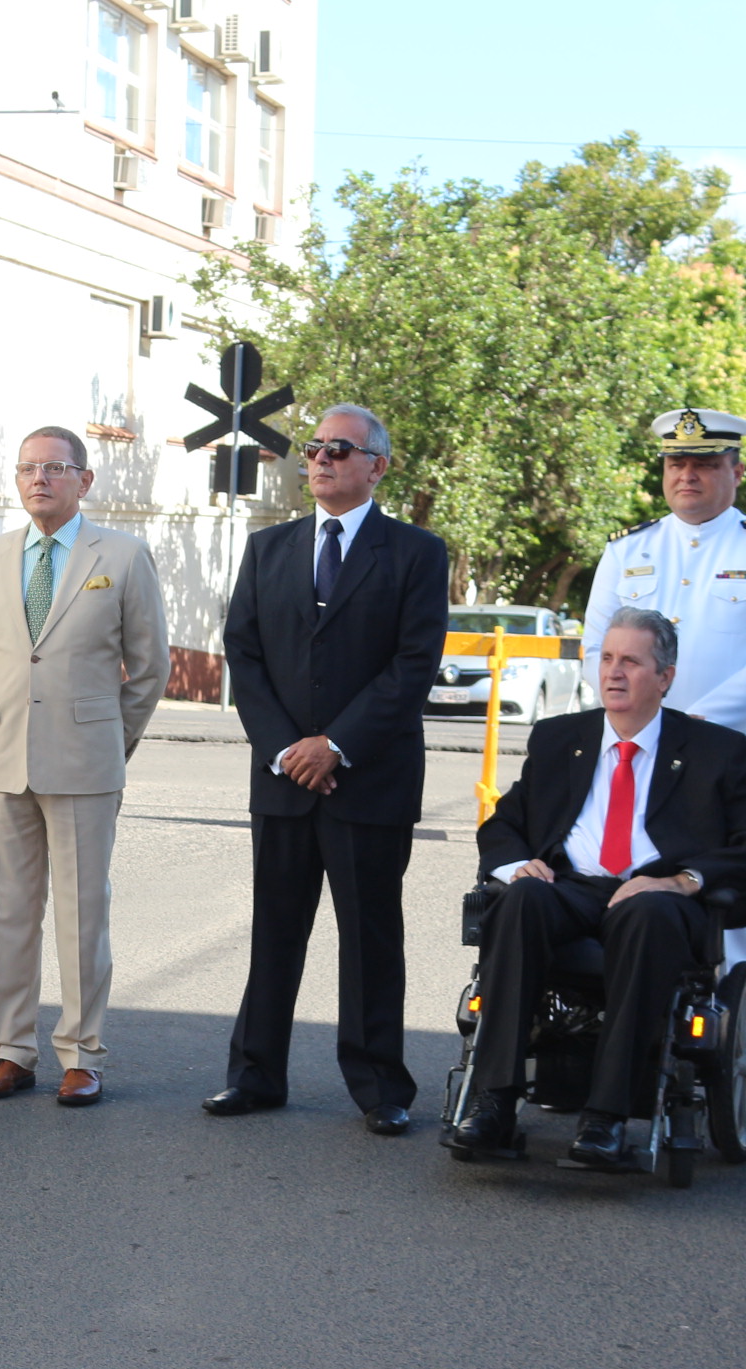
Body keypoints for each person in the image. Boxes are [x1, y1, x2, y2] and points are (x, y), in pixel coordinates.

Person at [444, 610, 746, 1170]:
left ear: (665, 677)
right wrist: (519, 866)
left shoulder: (715, 750)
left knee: (648, 915)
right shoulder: (560, 739)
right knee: (522, 900)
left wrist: (682, 880)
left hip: (655, 896)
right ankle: (492, 1104)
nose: (614, 672)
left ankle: (605, 1118)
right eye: (606, 658)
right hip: (570, 886)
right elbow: (503, 825)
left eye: (631, 661)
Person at [208, 405, 449, 1134]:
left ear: (378, 466)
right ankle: (255, 1074)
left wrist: (335, 745)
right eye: (314, 447)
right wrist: (288, 749)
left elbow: (413, 665)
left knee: (370, 938)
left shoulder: (415, 553)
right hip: (283, 780)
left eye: (339, 450)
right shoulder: (268, 548)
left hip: (368, 781)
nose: (320, 459)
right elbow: (245, 654)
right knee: (274, 931)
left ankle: (379, 1087)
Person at [0, 427, 168, 1107]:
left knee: (82, 915)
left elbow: (150, 668)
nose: (39, 479)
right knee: (8, 911)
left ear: (84, 479)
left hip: (85, 762)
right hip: (8, 757)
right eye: (28, 468)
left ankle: (82, 1054)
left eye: (55, 468)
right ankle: (11, 1050)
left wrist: (109, 740)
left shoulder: (124, 555)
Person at [580, 409, 746, 978]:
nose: (687, 475)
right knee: (613, 890)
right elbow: (594, 651)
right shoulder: (628, 549)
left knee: (728, 912)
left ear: (736, 472)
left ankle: (738, 1032)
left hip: (720, 761)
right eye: (676, 463)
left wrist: (689, 731)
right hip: (630, 756)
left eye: (704, 464)